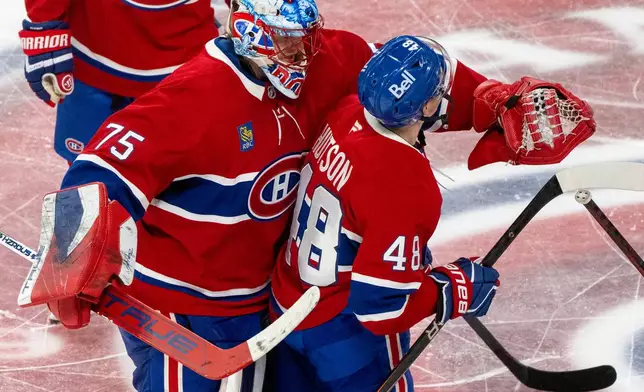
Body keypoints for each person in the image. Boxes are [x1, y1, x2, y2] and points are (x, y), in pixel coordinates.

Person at [17, 0, 378, 390]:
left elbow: (398, 76)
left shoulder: (327, 58)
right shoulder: (193, 98)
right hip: (178, 303)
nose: (305, 54)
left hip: (251, 295)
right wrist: (66, 259)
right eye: (289, 42)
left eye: (307, 38)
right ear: (254, 35)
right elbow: (98, 168)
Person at [269, 35, 596, 391]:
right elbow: (380, 310)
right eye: (439, 92)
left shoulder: (346, 111)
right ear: (424, 108)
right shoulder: (405, 185)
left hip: (286, 310)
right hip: (344, 338)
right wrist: (449, 290)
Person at [20, 0, 219, 163]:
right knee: (89, 184)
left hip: (184, 73)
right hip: (91, 62)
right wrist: (43, 24)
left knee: (181, 185)